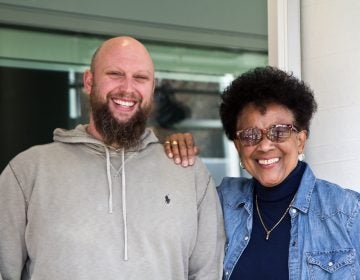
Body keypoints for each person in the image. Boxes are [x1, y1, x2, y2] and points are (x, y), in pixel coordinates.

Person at [0, 36, 225, 280]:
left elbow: (207, 273)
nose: (128, 88)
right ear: (89, 81)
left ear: (151, 88)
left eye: (140, 78)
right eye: (115, 74)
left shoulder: (189, 173)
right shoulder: (28, 172)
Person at [164, 66, 360, 279]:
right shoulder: (220, 204)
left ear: (300, 141)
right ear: (238, 145)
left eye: (279, 132)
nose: (265, 145)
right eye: (250, 134)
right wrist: (172, 152)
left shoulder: (348, 212)